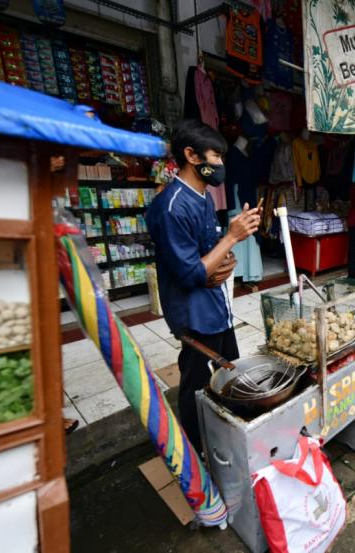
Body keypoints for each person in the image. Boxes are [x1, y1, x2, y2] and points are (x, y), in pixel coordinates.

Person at [146, 120, 261, 451]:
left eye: (223, 157)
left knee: (228, 372)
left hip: (216, 305)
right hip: (193, 313)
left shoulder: (203, 197)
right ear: (191, 156)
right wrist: (231, 237)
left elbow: (210, 253)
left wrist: (229, 248)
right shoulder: (170, 207)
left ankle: (224, 433)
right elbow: (189, 273)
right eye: (216, 156)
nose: (221, 164)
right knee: (197, 383)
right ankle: (195, 449)